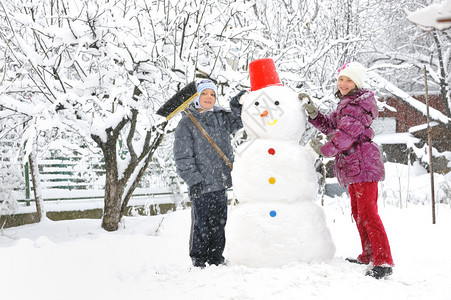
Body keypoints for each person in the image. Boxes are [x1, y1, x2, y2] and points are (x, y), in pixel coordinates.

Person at [299, 62, 394, 279]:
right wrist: (312, 111)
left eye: (348, 80)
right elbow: (329, 126)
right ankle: (368, 253)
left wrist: (322, 150)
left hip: (364, 165)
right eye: (341, 79)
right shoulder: (346, 104)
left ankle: (383, 260)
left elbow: (343, 137)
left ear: (356, 83)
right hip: (354, 165)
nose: (343, 83)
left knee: (369, 215)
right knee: (359, 214)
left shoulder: (357, 107)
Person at [173, 79, 245, 268]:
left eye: (212, 94)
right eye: (204, 93)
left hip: (220, 180)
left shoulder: (220, 117)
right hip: (201, 183)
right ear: (196, 96)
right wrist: (193, 179)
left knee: (219, 223)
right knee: (201, 224)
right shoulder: (186, 123)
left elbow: (239, 121)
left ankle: (216, 258)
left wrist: (237, 103)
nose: (208, 98)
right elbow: (182, 156)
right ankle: (199, 260)